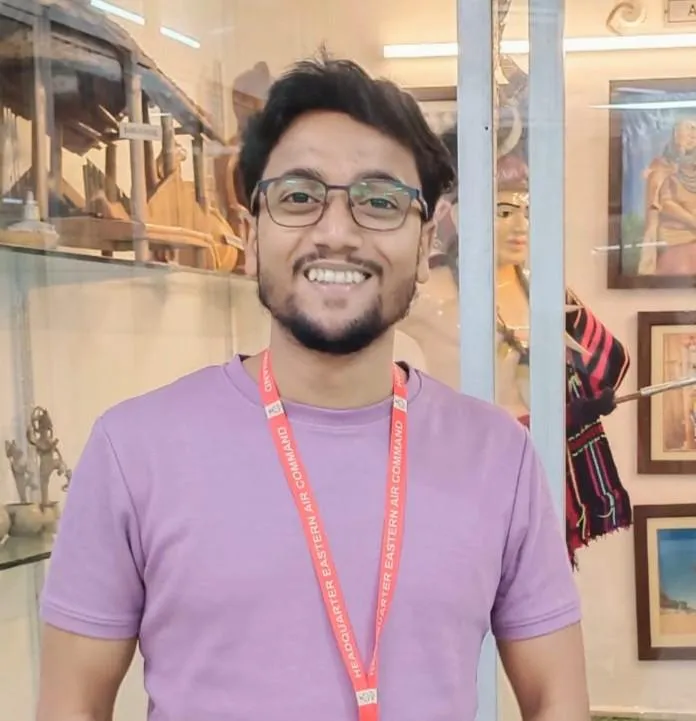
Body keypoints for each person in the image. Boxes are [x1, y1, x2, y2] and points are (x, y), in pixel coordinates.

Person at [36, 56, 591, 721]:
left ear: (425, 245)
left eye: (379, 201)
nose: (336, 232)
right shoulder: (134, 450)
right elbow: (70, 704)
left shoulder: (498, 456)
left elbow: (557, 698)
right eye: (299, 197)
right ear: (250, 235)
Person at [399, 125, 631, 567]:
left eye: (526, 210)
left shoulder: (546, 293)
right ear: (458, 214)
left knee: (540, 585)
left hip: (540, 470)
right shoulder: (428, 295)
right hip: (462, 472)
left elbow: (608, 362)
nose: (520, 226)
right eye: (503, 211)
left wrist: (574, 408)